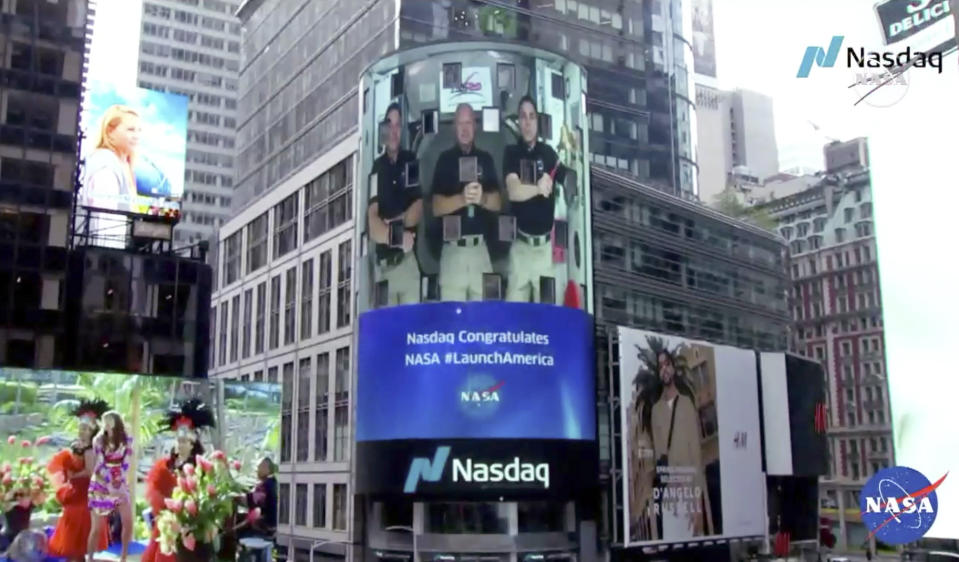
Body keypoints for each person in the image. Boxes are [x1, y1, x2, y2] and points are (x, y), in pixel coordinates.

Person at [431, 103, 502, 301]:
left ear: (475, 126)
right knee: (454, 322)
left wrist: (483, 198)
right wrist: (462, 199)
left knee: (485, 319)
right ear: (454, 126)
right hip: (453, 252)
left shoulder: (486, 159)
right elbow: (436, 207)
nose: (464, 128)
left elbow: (498, 203)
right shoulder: (444, 160)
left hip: (480, 250)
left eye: (468, 123)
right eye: (460, 123)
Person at [503, 95, 567, 303]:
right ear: (519, 122)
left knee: (547, 320)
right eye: (523, 117)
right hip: (520, 251)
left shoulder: (549, 154)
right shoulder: (511, 153)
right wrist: (539, 188)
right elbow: (514, 191)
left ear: (538, 122)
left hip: (544, 255)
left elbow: (570, 181)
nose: (528, 122)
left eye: (532, 117)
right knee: (513, 319)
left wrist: (575, 154)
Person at [647, 349, 710, 541]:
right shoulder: (656, 411)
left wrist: (697, 505)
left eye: (667, 364)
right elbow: (659, 456)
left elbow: (696, 457)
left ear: (673, 368)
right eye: (660, 366)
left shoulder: (686, 405)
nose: (664, 369)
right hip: (670, 498)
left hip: (689, 494)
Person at [142, 399, 215, 562]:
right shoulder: (165, 465)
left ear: (192, 444)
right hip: (167, 523)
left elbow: (202, 495)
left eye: (184, 441)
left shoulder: (199, 466)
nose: (180, 444)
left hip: (188, 525)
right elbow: (156, 491)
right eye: (178, 441)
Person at [367, 102, 422, 305]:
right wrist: (398, 236)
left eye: (398, 125)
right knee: (388, 334)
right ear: (383, 129)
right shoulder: (376, 168)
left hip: (408, 266)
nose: (393, 131)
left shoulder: (411, 161)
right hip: (384, 272)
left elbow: (418, 208)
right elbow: (373, 226)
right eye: (389, 125)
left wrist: (391, 223)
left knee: (411, 333)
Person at [46, 399, 112, 562]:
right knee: (74, 546)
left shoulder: (91, 449)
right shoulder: (78, 447)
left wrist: (74, 475)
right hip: (75, 495)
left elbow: (90, 472)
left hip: (84, 497)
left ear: (91, 431)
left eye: (85, 429)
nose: (81, 431)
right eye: (80, 428)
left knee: (77, 544)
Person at [87, 411, 134, 562]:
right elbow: (99, 463)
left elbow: (127, 461)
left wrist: (120, 477)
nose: (106, 424)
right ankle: (90, 558)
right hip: (101, 481)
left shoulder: (126, 440)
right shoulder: (99, 440)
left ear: (116, 422)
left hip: (119, 480)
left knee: (128, 521)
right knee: (97, 527)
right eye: (104, 421)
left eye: (110, 421)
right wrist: (109, 480)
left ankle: (124, 557)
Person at [81, 105, 141, 213]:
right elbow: (105, 223)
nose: (137, 136)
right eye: (131, 130)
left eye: (139, 130)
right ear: (110, 131)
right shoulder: (105, 166)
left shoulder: (126, 165)